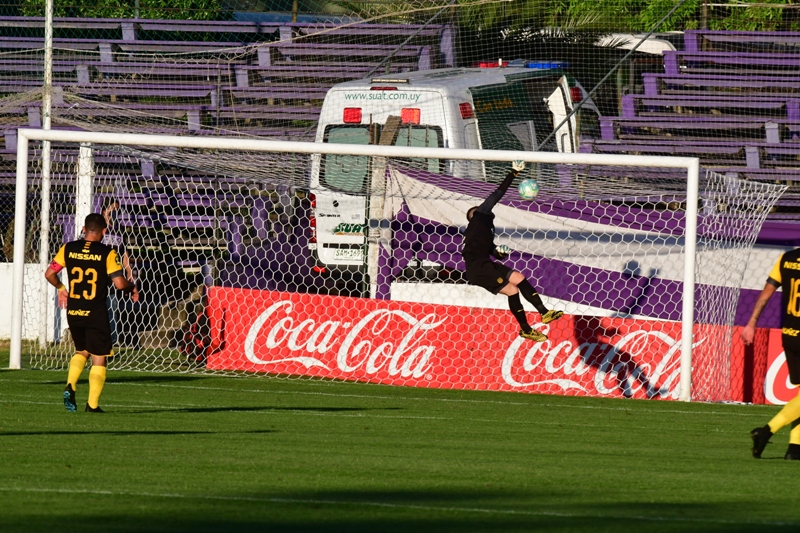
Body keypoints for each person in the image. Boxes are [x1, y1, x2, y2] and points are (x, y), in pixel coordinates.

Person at [44, 213, 139, 413]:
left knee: (82, 351)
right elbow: (120, 284)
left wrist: (62, 288)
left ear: (84, 229)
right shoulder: (107, 252)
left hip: (74, 310)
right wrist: (132, 287)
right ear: (104, 231)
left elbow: (49, 273)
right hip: (95, 311)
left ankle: (71, 384)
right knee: (99, 356)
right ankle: (93, 405)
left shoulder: (68, 248)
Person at [462, 160, 563, 342]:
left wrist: (500, 251)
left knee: (519, 278)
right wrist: (513, 173)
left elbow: (494, 252)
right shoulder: (478, 217)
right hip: (478, 268)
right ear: (474, 216)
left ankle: (544, 313)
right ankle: (526, 329)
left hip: (485, 263)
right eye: (480, 208)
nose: (485, 208)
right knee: (512, 290)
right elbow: (496, 195)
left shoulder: (483, 230)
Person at [743, 247, 800, 460]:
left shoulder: (787, 258)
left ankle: (795, 449)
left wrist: (751, 323)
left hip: (790, 335)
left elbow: (766, 294)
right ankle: (766, 431)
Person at [101, 197, 135, 346]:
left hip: (113, 277)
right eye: (112, 210)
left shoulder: (119, 230)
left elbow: (124, 255)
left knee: (112, 308)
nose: (115, 213)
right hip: (98, 276)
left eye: (117, 210)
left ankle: (111, 341)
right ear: (104, 211)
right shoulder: (97, 228)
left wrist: (129, 273)